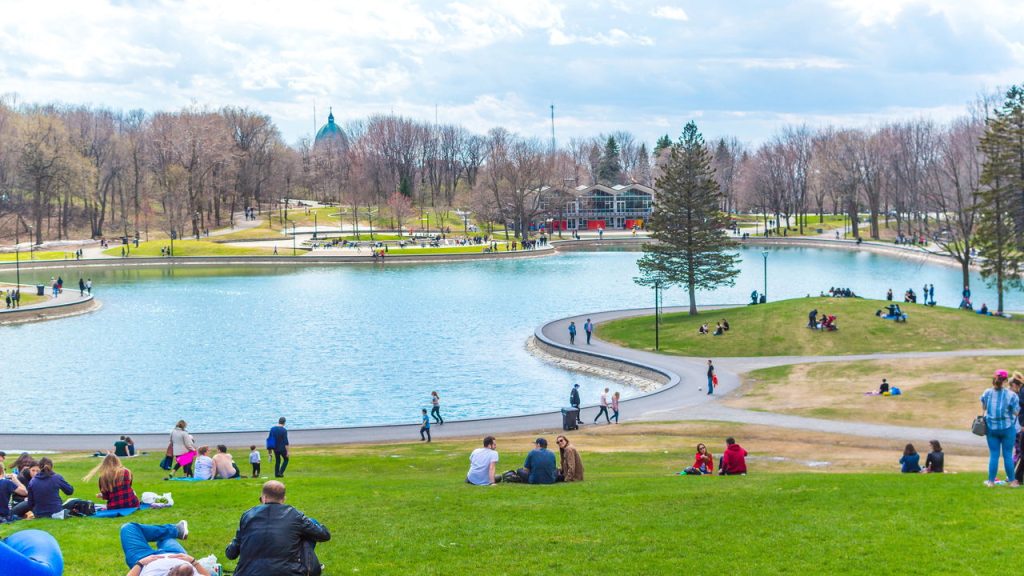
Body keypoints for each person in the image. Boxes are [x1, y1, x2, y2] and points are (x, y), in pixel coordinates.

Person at [225, 481, 331, 576]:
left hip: (247, 572)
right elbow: (324, 535)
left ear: (263, 498)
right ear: (283, 499)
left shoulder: (248, 516)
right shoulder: (295, 515)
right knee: (311, 524)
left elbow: (231, 553)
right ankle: (310, 567)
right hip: (289, 572)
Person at [119, 520, 211, 576]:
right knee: (165, 539)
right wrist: (192, 561)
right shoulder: (189, 570)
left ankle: (175, 530)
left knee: (128, 528)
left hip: (144, 558)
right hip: (176, 553)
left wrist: (140, 563)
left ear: (170, 572)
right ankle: (176, 531)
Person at [981, 370, 1020, 487]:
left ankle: (991, 482)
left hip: (991, 428)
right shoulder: (1011, 395)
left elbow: (984, 407)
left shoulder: (987, 393)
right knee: (1007, 455)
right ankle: (1012, 482)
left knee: (994, 455)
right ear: (1006, 380)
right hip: (1007, 429)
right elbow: (1017, 412)